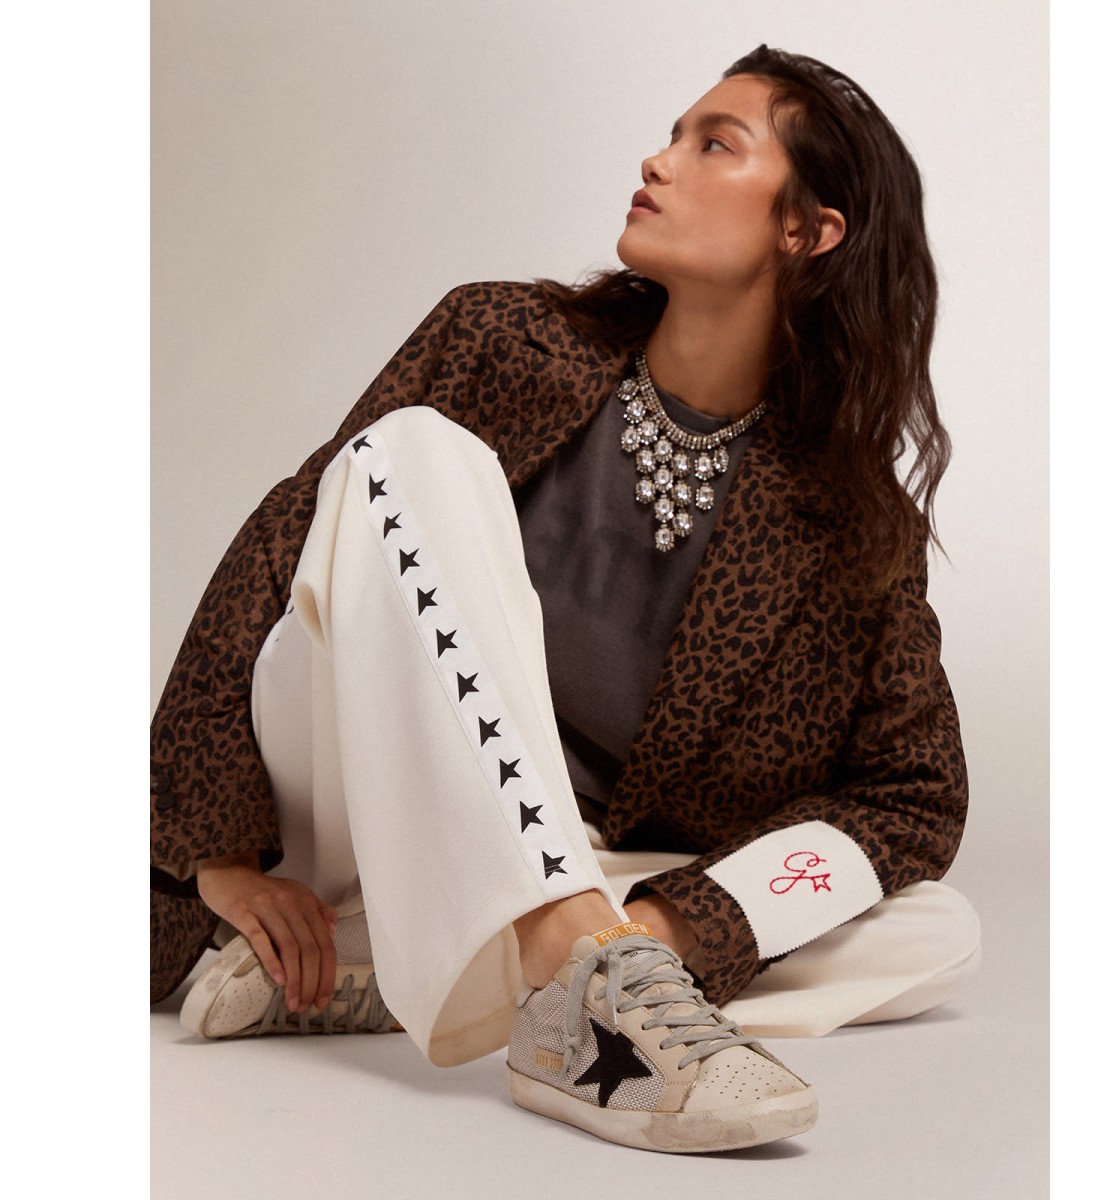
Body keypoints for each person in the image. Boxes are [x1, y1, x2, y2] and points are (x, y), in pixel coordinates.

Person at [151, 45, 980, 1154]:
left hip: (569, 859)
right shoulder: (501, 339)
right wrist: (215, 855)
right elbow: (276, 557)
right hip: (349, 790)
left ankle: (450, 966)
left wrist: (679, 919)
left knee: (933, 930)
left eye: (714, 145)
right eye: (673, 135)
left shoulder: (847, 518)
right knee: (410, 452)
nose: (658, 160)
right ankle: (566, 973)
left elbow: (914, 796)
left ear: (807, 230)